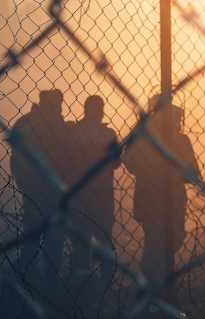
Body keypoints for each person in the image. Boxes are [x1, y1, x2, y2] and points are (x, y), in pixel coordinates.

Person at [122, 96, 200, 283]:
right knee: (158, 241)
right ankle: (154, 283)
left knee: (166, 238)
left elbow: (193, 173)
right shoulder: (144, 136)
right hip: (156, 195)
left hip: (164, 196)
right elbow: (129, 160)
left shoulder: (177, 140)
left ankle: (154, 283)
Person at [10, 89, 73, 286]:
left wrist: (22, 179)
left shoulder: (24, 122)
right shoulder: (57, 125)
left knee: (33, 229)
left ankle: (28, 272)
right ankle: (50, 277)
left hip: (31, 185)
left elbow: (15, 156)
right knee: (54, 234)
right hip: (51, 187)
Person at [68, 95, 120, 290]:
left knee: (81, 237)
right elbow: (116, 163)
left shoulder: (74, 133)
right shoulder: (108, 134)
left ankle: (80, 277)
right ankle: (106, 278)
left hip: (80, 192)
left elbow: (67, 163)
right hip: (103, 193)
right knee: (105, 237)